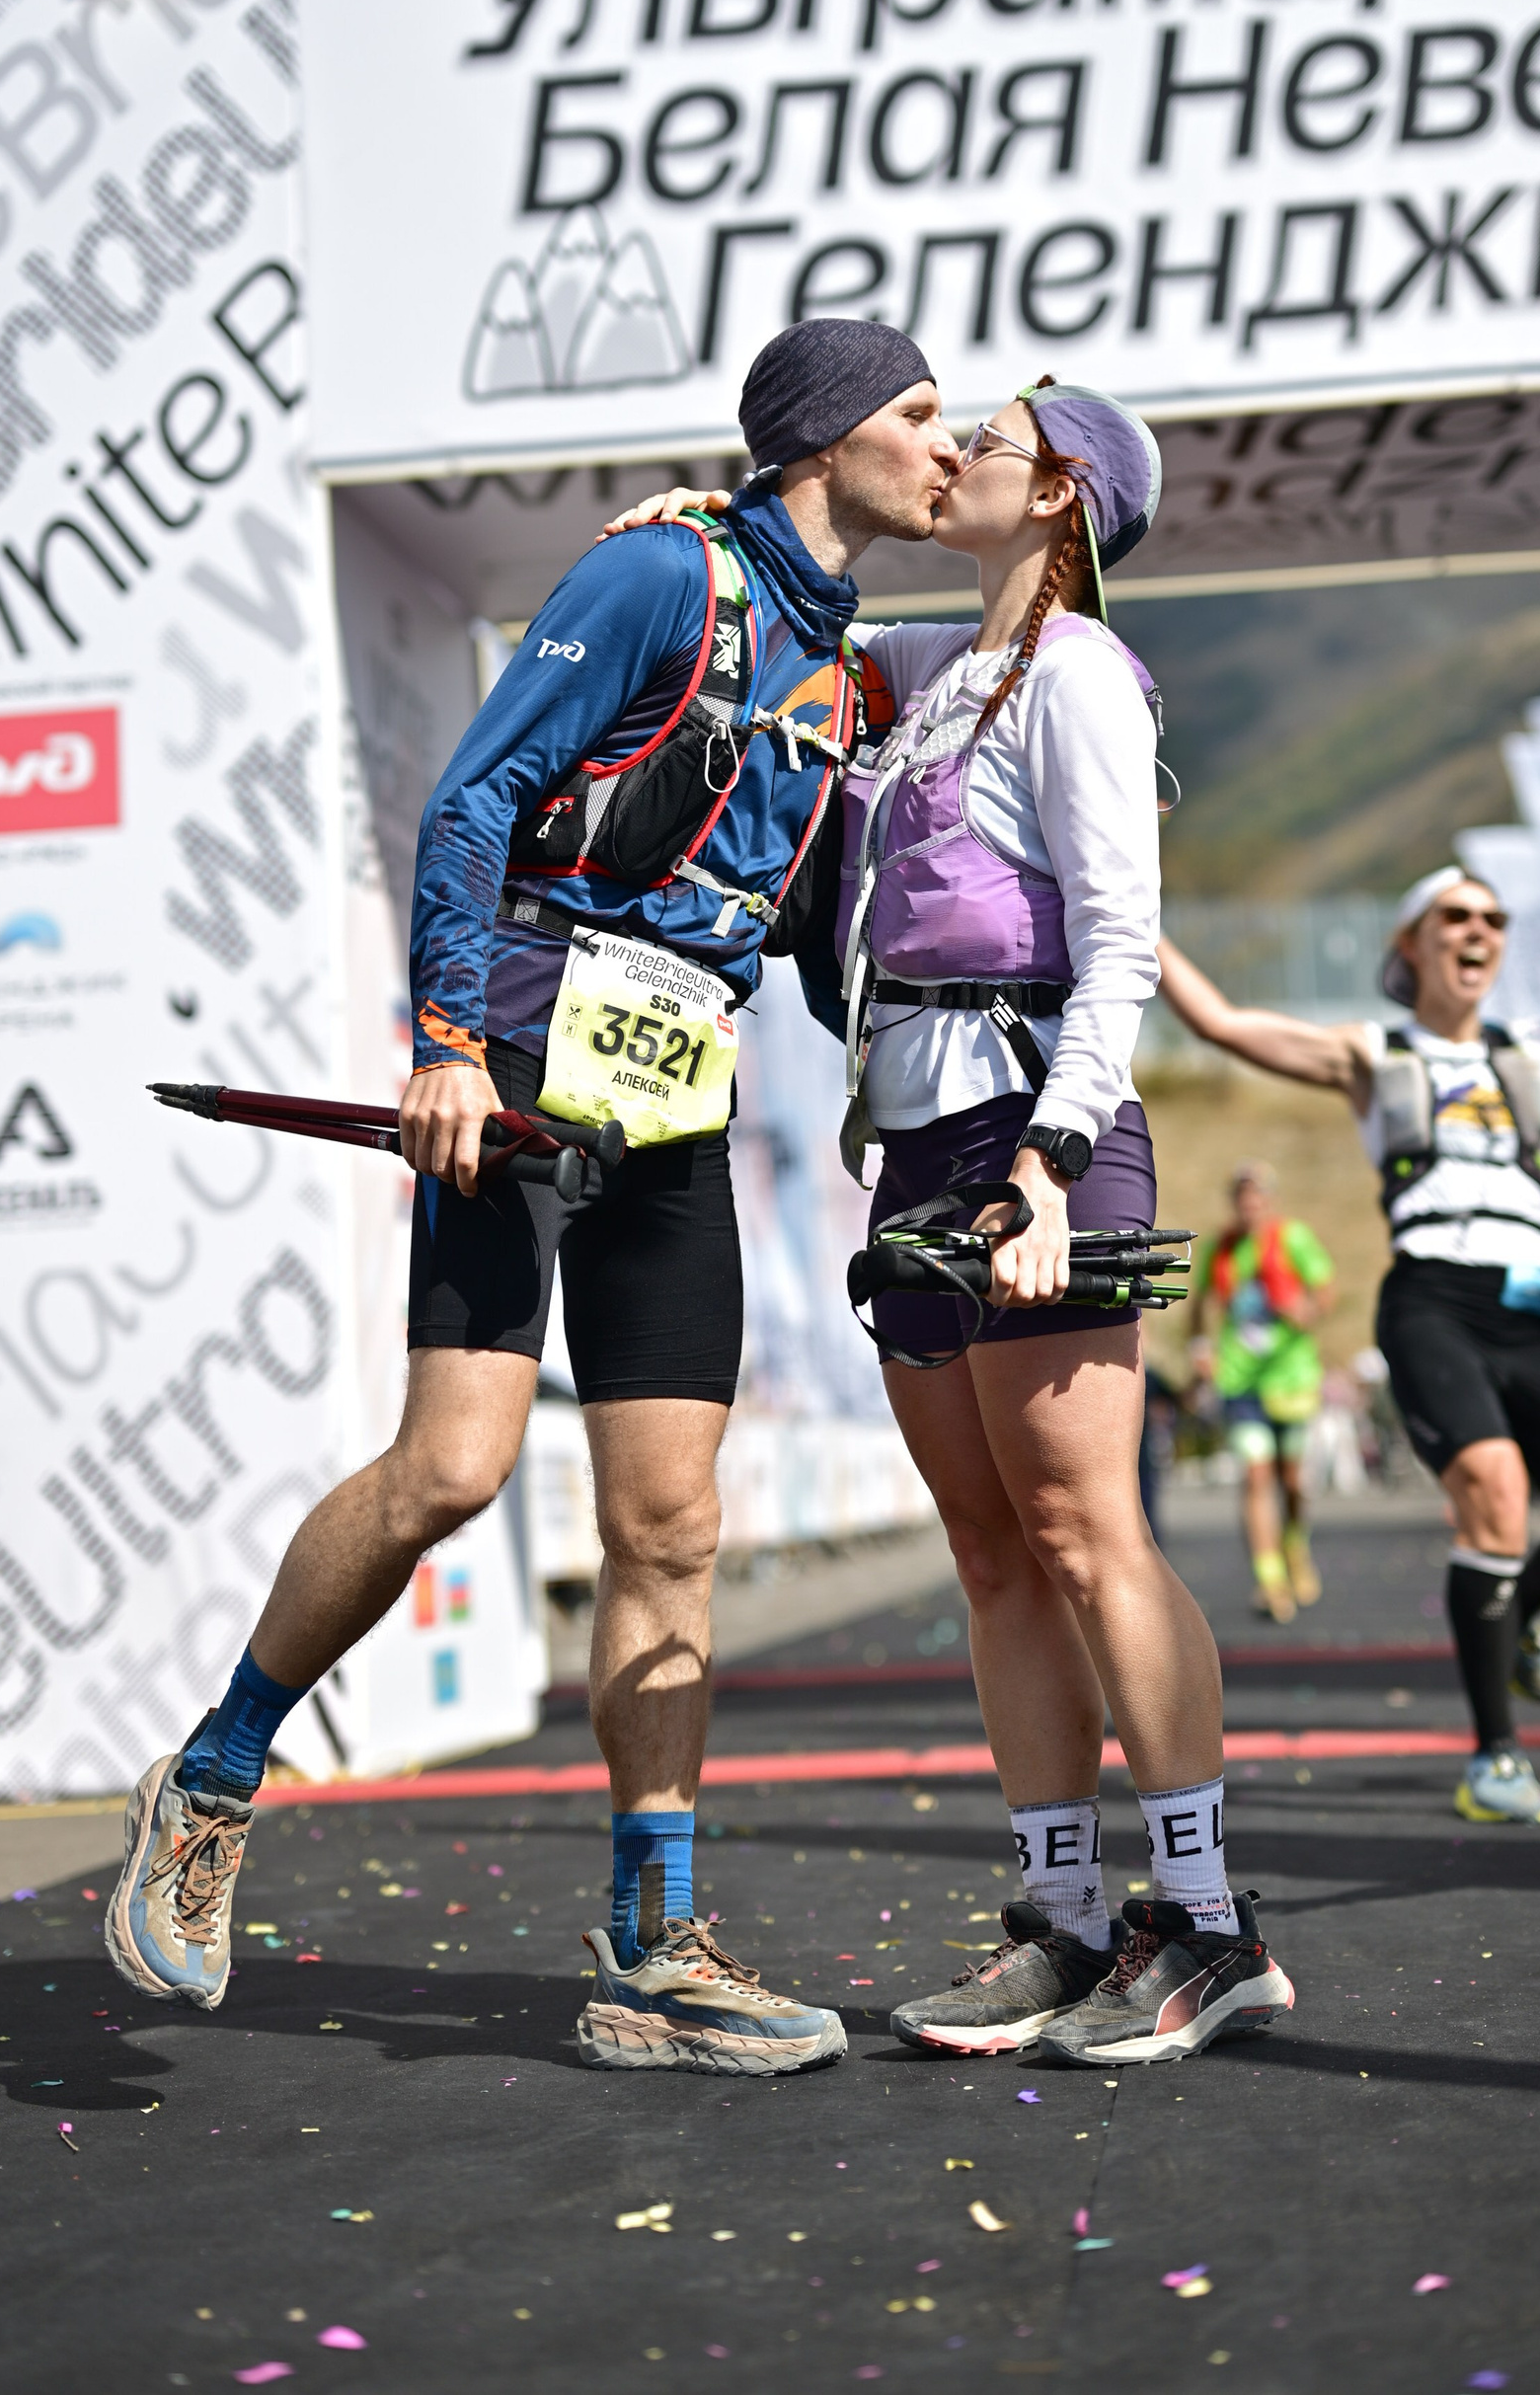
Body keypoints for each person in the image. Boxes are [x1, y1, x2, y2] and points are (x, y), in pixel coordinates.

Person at [107, 320, 962, 2076]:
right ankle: (211, 1776)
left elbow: (804, 922)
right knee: (452, 1469)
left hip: (679, 1102)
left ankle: (656, 1945)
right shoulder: (663, 575)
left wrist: (907, 1100)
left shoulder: (848, 658)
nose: (948, 447)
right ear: (823, 438)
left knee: (673, 1527)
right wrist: (441, 1040)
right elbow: (479, 793)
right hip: (513, 1067)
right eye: (920, 414)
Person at [610, 381, 1293, 2066]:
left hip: (1031, 1134)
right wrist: (691, 539)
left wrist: (1048, 1164)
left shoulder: (1079, 675)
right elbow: (776, 626)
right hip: (913, 1149)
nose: (956, 451)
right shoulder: (936, 667)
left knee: (1083, 1527)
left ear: (1062, 493)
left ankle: (1207, 1923)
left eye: (990, 437)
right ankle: (1064, 1922)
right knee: (988, 1546)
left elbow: (1120, 947)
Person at [1159, 852, 1540, 1824]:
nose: (1480, 930)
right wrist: (1123, 909)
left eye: (1493, 918)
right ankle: (1495, 1755)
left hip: (1530, 1306)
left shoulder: (1532, 1046)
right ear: (1411, 944)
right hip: (1431, 1297)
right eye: (1456, 917)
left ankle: (1520, 1613)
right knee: (1494, 1487)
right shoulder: (1373, 1052)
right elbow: (1223, 1022)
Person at [1188, 1162, 1336, 1622]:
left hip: (1292, 1380)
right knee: (1254, 1476)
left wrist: (1304, 1310)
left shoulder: (1293, 1239)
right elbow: (1200, 1305)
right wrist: (1200, 1350)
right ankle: (1269, 1580)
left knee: (1291, 1481)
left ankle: (1294, 1544)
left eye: (1256, 1197)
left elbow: (1325, 1293)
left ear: (1269, 1200)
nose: (1249, 1205)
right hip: (1240, 1381)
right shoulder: (1222, 1248)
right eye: (1241, 1197)